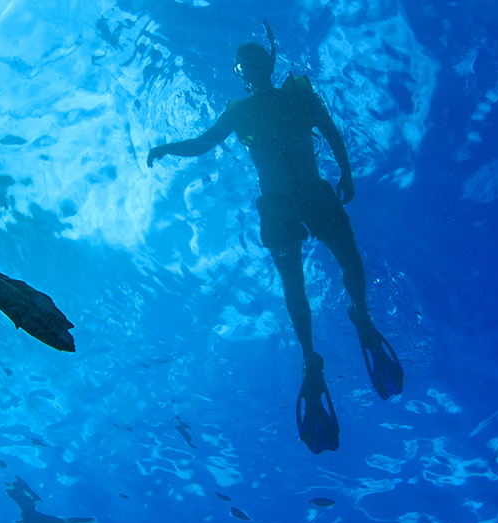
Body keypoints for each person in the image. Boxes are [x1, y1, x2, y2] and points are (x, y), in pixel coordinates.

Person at [148, 36, 404, 452]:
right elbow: (201, 144)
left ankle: (361, 316)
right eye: (242, 60)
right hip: (279, 203)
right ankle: (311, 358)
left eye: (252, 57)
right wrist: (166, 148)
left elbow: (331, 131)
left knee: (349, 260)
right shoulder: (240, 111)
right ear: (241, 72)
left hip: (311, 192)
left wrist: (346, 172)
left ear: (266, 62)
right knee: (294, 283)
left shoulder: (299, 93)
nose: (248, 65)